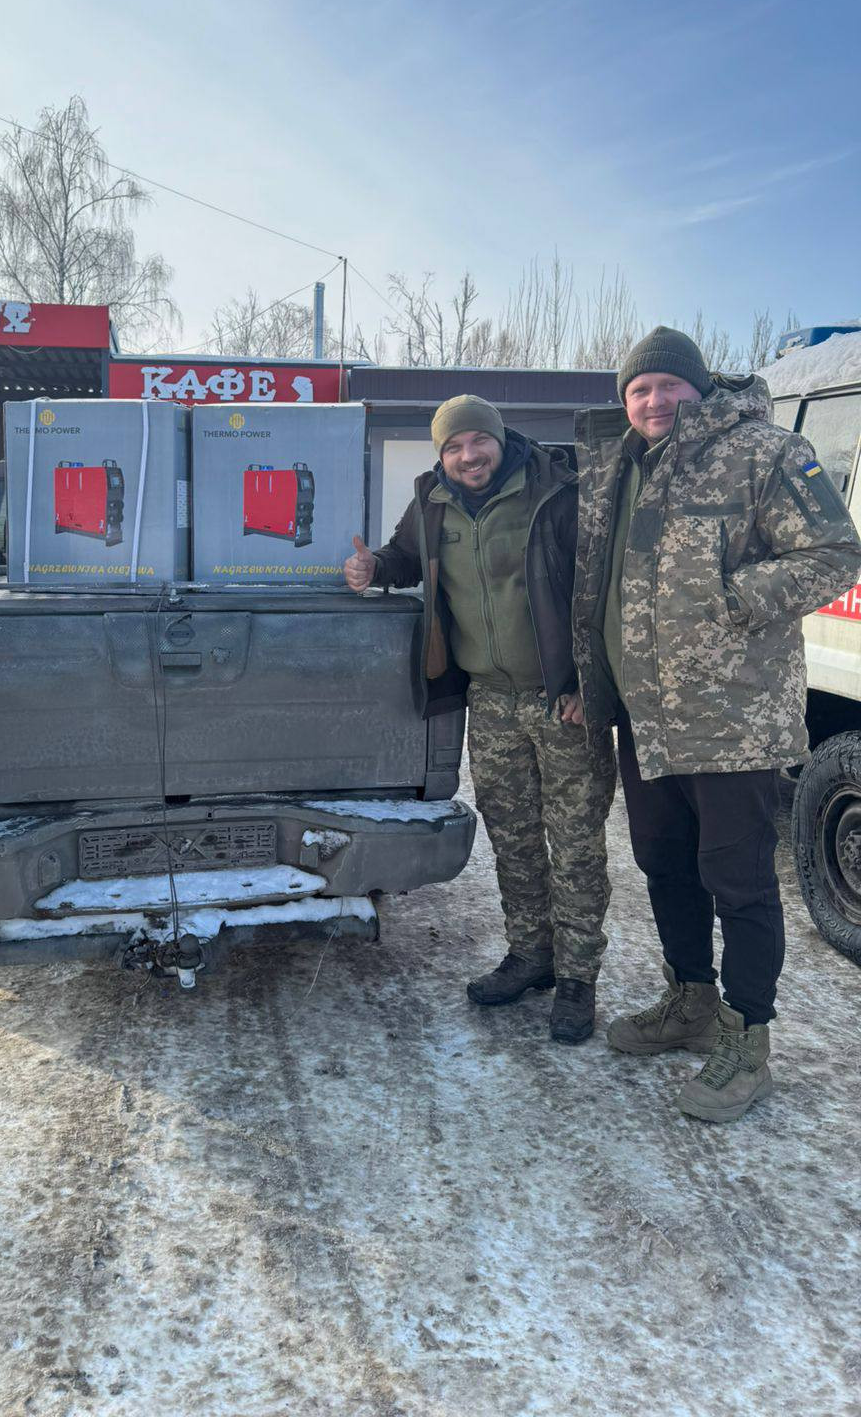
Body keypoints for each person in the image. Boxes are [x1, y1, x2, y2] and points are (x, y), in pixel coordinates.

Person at [573, 326, 861, 1121]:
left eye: (670, 384)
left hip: (732, 718)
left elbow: (835, 553)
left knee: (739, 883)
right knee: (664, 865)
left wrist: (732, 598)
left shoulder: (766, 454)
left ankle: (748, 1040)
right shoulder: (619, 466)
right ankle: (691, 1001)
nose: (655, 400)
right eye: (639, 389)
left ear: (700, 388)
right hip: (645, 718)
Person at [345, 395, 616, 1043]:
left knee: (575, 845)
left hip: (561, 700)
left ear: (499, 439)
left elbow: (602, 591)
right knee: (514, 841)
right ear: (441, 455)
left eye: (477, 442)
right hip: (489, 702)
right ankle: (530, 956)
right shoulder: (432, 503)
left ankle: (577, 980)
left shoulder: (557, 492)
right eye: (453, 447)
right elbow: (404, 557)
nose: (468, 456)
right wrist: (374, 567)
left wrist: (591, 685)